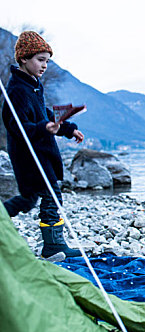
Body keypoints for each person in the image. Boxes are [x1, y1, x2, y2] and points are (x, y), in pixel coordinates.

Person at [2, 31, 84, 258]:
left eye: (47, 60)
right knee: (51, 195)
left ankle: (4, 216)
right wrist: (42, 128)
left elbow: (45, 114)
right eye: (40, 59)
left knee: (30, 199)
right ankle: (53, 246)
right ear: (23, 59)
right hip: (30, 156)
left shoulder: (34, 85)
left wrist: (68, 128)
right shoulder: (17, 90)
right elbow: (16, 126)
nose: (45, 65)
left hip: (41, 151)